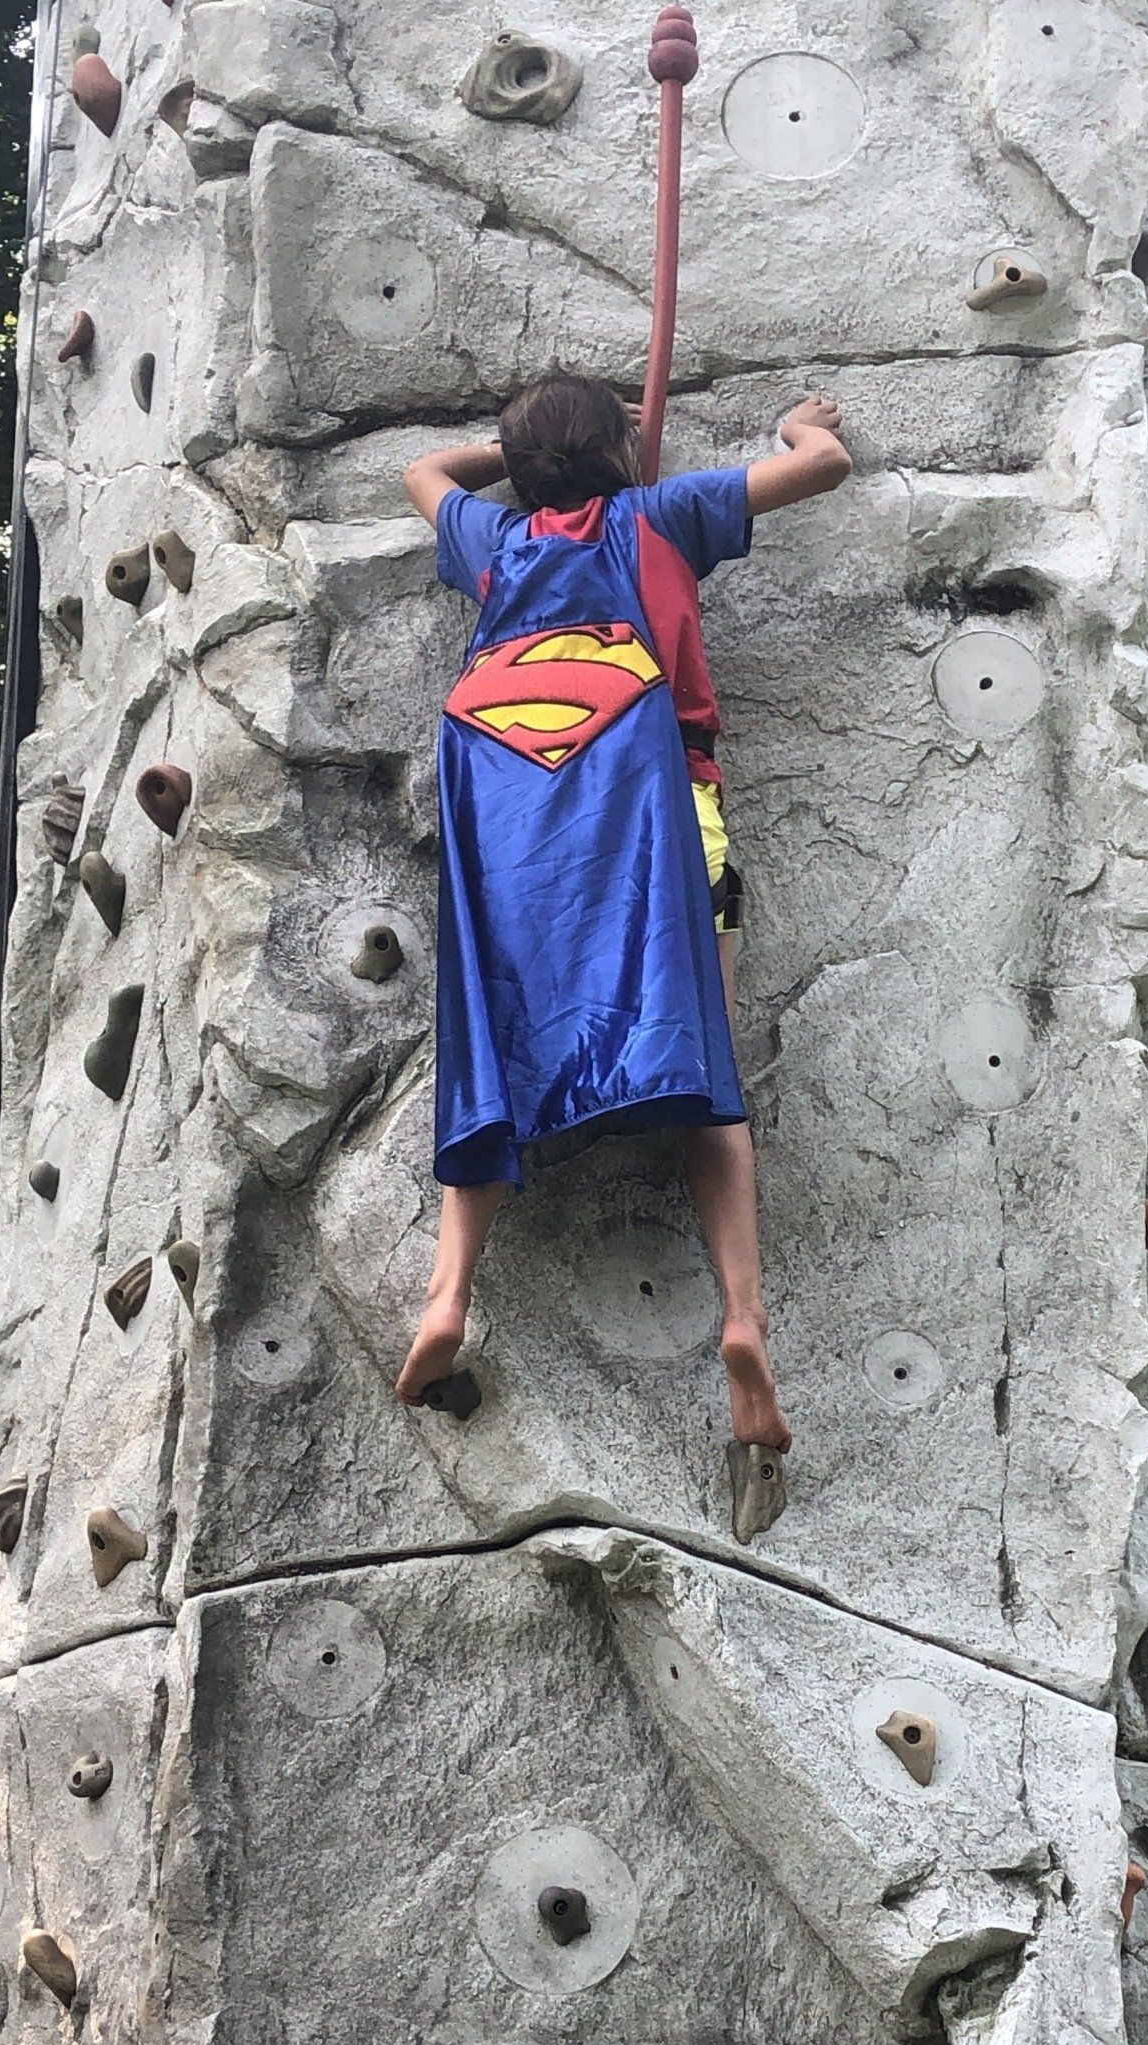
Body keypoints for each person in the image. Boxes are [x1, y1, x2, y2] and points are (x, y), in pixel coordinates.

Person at [395, 374, 852, 1454]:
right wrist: (803, 427)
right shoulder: (663, 514)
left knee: (496, 1048)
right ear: (618, 450)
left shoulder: (493, 544)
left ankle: (447, 1294)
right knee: (709, 1067)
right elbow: (823, 469)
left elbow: (418, 472)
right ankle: (743, 1320)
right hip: (667, 816)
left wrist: (519, 459)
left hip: (520, 840)